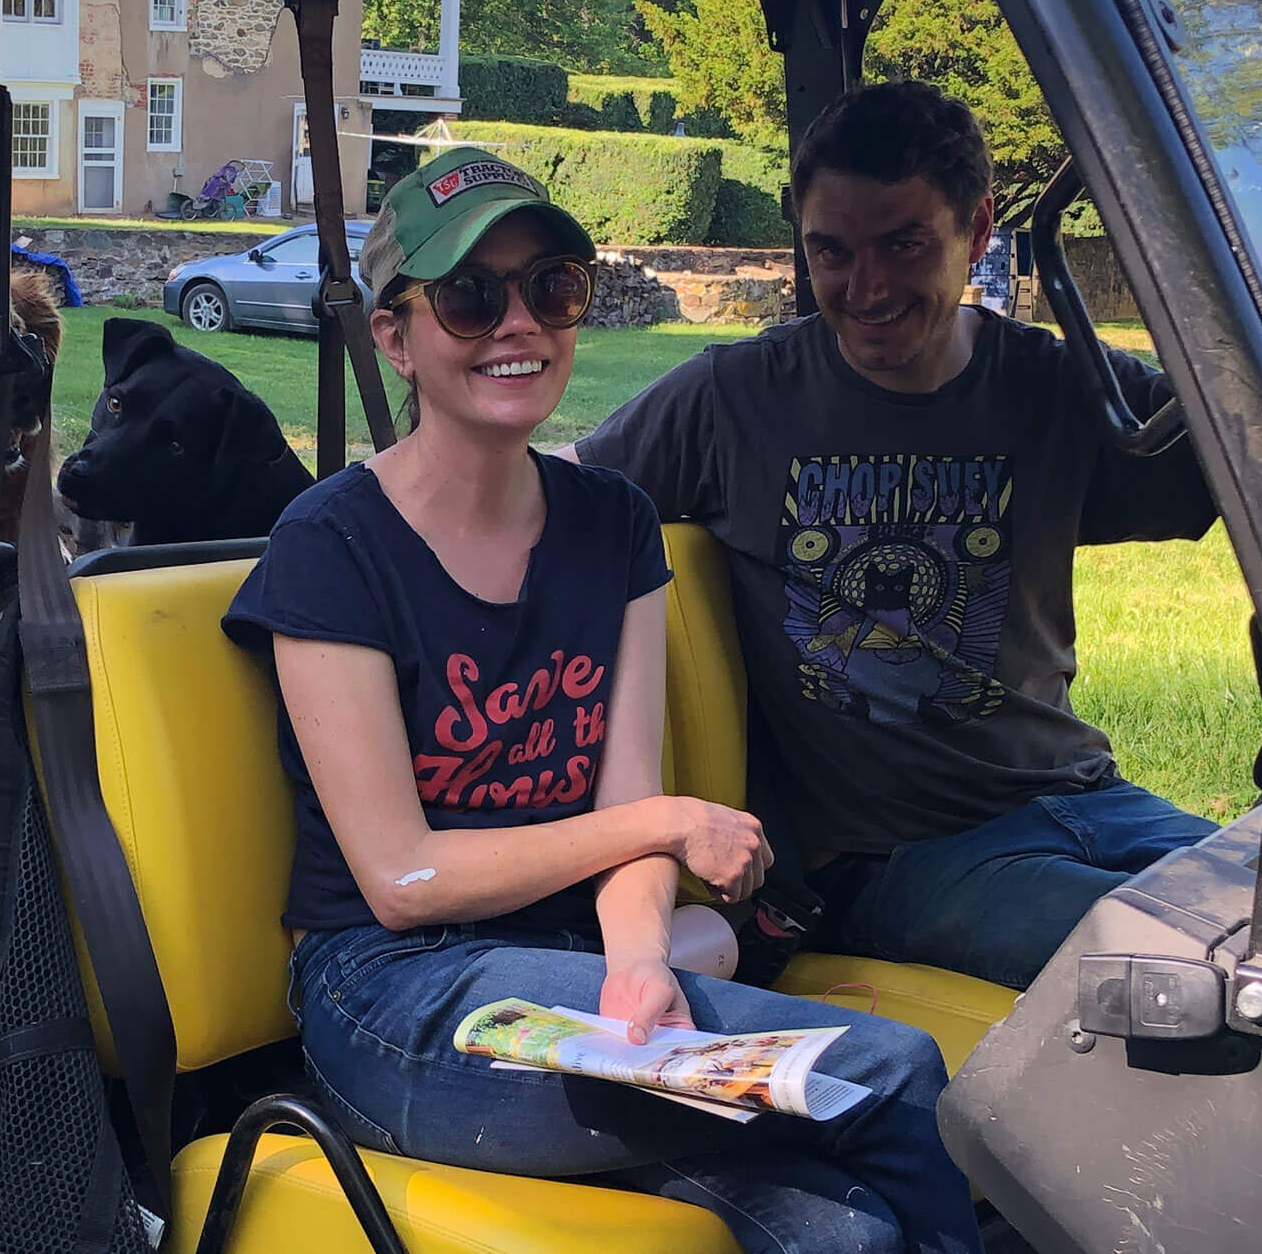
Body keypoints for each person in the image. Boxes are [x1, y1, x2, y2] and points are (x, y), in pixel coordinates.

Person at [224, 146, 982, 1254]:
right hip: (399, 1005)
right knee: (887, 1070)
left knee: (846, 1235)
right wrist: (667, 828)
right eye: (471, 297)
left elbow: (620, 802)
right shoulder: (332, 546)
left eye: (552, 288)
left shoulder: (612, 524)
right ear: (395, 336)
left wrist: (639, 962)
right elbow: (399, 879)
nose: (518, 324)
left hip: (574, 980)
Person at [565, 82, 1222, 993]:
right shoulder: (735, 400)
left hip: (1088, 798)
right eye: (831, 251)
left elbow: (1254, 473)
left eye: (903, 244)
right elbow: (547, 508)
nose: (864, 289)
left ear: (979, 230)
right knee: (1191, 965)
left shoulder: (1056, 386)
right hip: (898, 860)